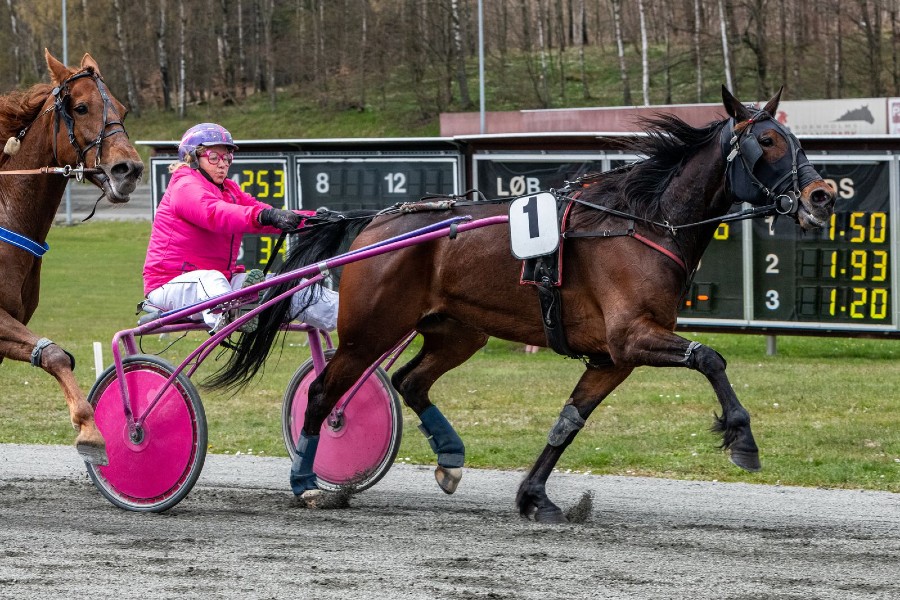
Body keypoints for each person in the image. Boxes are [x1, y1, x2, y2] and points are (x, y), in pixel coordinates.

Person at [142, 122, 338, 333]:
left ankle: (351, 317)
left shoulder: (230, 189)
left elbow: (262, 213)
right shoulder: (184, 186)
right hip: (169, 286)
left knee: (289, 285)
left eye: (227, 158)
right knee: (211, 279)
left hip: (222, 285)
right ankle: (233, 316)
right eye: (214, 157)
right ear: (193, 158)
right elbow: (215, 214)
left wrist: (313, 221)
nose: (223, 164)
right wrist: (264, 216)